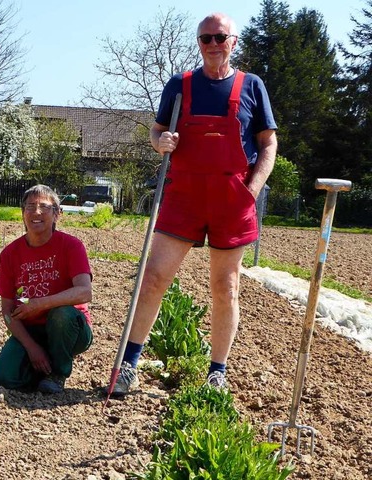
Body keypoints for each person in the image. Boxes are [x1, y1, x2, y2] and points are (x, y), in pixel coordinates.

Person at [112, 12, 277, 394]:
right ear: (199, 43)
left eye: (221, 37)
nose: (214, 45)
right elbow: (157, 130)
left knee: (226, 286)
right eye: (206, 39)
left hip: (231, 198)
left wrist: (251, 190)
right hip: (184, 194)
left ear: (233, 41)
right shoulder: (180, 84)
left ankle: (217, 372)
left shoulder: (251, 86)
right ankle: (128, 364)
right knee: (154, 278)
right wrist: (160, 141)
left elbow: (268, 143)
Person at [0, 184, 93, 393]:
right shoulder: (10, 254)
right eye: (30, 207)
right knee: (4, 377)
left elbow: (84, 291)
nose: (36, 212)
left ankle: (57, 373)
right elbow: (8, 311)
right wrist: (31, 347)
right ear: (22, 214)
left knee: (61, 315)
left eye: (44, 207)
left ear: (57, 214)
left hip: (71, 329)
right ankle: (40, 365)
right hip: (32, 330)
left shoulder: (71, 246)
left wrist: (39, 304)